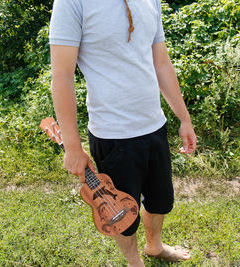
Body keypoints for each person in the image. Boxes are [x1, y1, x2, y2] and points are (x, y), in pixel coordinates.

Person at [49, 0, 197, 265]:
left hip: (154, 126)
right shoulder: (72, 2)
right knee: (120, 215)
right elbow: (62, 76)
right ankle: (134, 261)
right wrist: (72, 147)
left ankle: (155, 246)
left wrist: (184, 118)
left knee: (160, 201)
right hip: (112, 136)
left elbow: (161, 62)